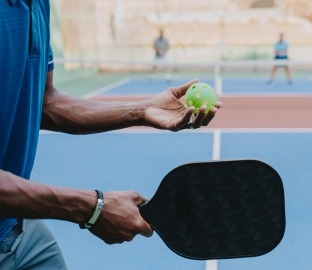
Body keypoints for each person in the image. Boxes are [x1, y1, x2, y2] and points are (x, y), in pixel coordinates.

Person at [0, 1, 221, 269]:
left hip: (17, 229)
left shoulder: (37, 4)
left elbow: (45, 103)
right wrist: (91, 207)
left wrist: (142, 111)